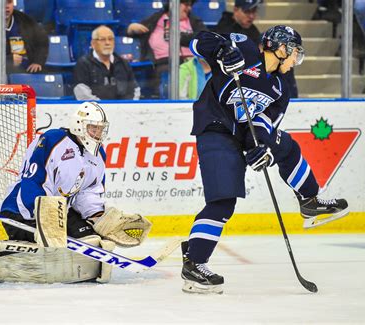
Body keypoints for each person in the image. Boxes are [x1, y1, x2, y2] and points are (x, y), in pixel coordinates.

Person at [181, 26, 349, 294]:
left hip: (241, 137)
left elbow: (264, 124)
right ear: (282, 48)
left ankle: (310, 200)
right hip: (216, 130)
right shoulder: (244, 48)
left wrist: (260, 148)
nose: (295, 61)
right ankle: (194, 262)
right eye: (295, 53)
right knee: (223, 203)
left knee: (287, 146)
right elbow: (197, 41)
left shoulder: (281, 89)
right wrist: (221, 50)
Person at [0, 102, 151, 284]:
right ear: (79, 125)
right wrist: (46, 218)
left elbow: (89, 192)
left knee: (92, 240)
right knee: (52, 245)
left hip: (60, 213)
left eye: (100, 129)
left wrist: (98, 217)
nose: (98, 133)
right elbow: (33, 180)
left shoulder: (98, 154)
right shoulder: (53, 140)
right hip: (22, 211)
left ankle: (72, 264)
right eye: (93, 128)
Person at [215, 0, 299, 98]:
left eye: (254, 11)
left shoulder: (252, 30)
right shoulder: (224, 30)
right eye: (247, 11)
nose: (251, 16)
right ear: (235, 10)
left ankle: (289, 98)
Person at [126, 0, 207, 97]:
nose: (189, 8)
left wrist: (180, 37)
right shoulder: (156, 19)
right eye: (186, 4)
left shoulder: (193, 21)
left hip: (190, 64)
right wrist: (131, 28)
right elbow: (132, 32)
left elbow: (205, 39)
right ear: (173, 4)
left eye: (190, 5)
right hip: (162, 66)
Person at [0, 0, 48, 73]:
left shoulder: (24, 20)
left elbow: (41, 40)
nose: (6, 6)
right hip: (1, 71)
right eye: (2, 3)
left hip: (26, 69)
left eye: (9, 2)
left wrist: (38, 61)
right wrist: (7, 60)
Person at [73, 25, 140, 100]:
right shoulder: (83, 64)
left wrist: (125, 107)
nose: (107, 43)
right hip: (96, 110)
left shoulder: (123, 63)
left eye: (110, 39)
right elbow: (82, 93)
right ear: (93, 44)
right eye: (102, 39)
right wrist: (104, 108)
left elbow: (135, 90)